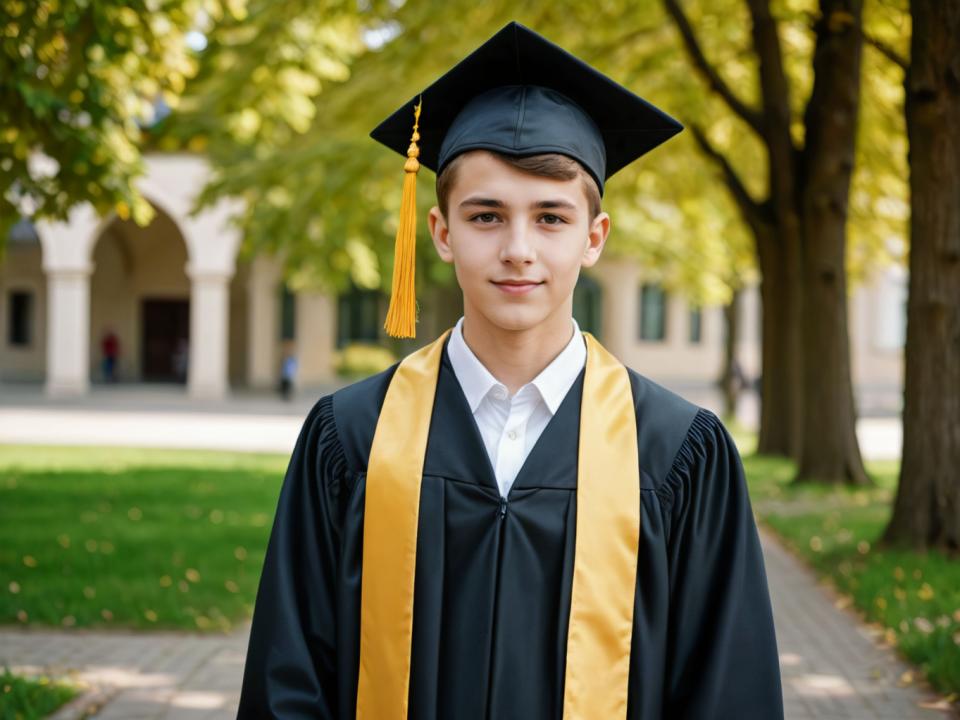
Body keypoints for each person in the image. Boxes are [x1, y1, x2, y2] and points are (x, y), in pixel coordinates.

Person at [237, 21, 783, 720]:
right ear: (440, 232)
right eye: (486, 216)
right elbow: (290, 682)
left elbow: (725, 692)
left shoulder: (677, 454)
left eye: (551, 218)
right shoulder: (350, 439)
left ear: (594, 237)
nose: (518, 249)